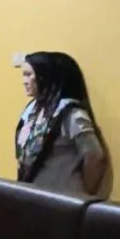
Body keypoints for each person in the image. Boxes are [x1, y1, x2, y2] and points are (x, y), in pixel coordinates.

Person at [16, 52, 108, 198]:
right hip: (32, 194)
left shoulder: (71, 114)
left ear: (45, 77)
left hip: (61, 197)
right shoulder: (32, 109)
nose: (24, 81)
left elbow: (94, 156)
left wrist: (84, 193)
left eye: (28, 75)